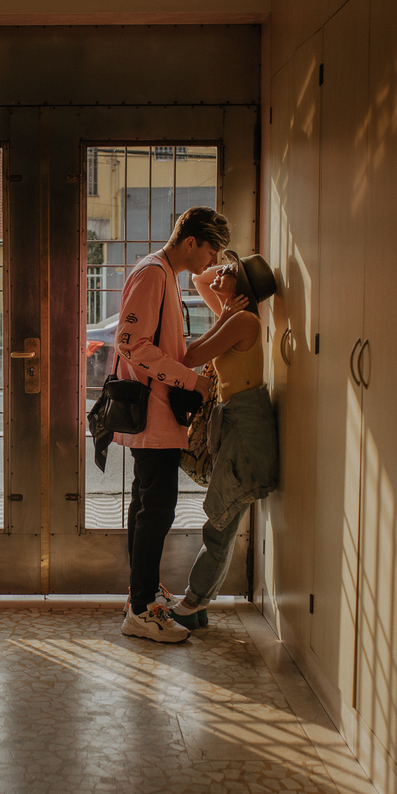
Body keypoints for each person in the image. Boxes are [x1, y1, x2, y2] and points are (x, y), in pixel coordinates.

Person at [114, 206, 228, 644]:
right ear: (191, 241)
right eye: (210, 250)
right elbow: (131, 345)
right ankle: (142, 608)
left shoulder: (164, 273)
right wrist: (190, 380)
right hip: (154, 413)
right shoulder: (154, 273)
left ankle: (139, 597)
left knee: (147, 505)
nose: (212, 262)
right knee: (155, 509)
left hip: (159, 414)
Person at [169, 251, 279, 629]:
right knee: (223, 515)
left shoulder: (242, 320)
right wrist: (230, 275)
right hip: (237, 420)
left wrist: (230, 307)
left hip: (246, 423)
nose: (220, 273)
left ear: (243, 287)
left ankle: (194, 601)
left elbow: (190, 355)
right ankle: (197, 602)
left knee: (221, 518)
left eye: (230, 271)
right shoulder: (235, 314)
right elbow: (201, 280)